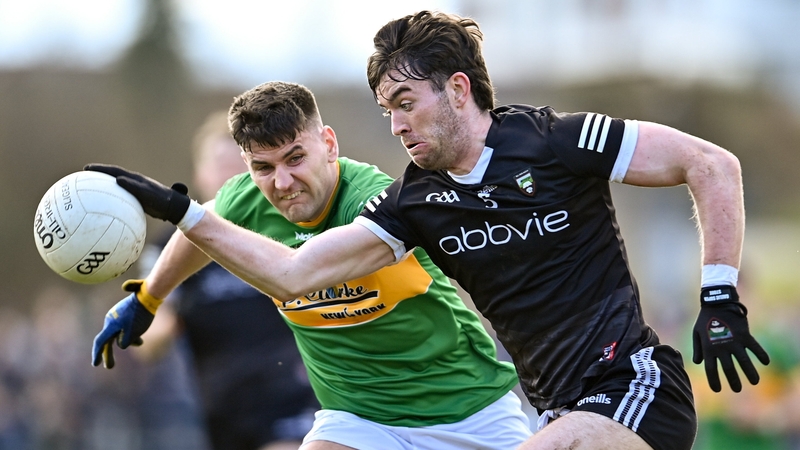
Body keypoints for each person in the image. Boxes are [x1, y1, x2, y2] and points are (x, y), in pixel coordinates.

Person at [84, 10, 771, 450]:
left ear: (459, 90)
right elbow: (293, 275)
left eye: (406, 103)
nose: (395, 125)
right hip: (547, 412)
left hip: (631, 388)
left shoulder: (556, 140)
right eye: (387, 110)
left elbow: (711, 164)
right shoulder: (414, 205)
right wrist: (179, 218)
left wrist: (719, 296)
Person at [89, 81, 532, 450]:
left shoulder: (372, 200)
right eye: (263, 167)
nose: (283, 183)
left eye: (295, 158)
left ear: (329, 144)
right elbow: (200, 235)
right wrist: (149, 297)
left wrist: (180, 211)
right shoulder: (244, 198)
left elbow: (293, 273)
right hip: (359, 419)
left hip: (467, 409)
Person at [132, 111, 319, 450]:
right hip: (223, 408)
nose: (228, 175)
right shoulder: (169, 248)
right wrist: (154, 329)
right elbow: (150, 329)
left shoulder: (289, 230)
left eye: (238, 165)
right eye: (219, 164)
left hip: (292, 394)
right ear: (199, 174)